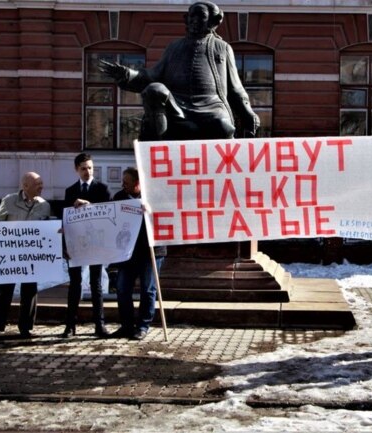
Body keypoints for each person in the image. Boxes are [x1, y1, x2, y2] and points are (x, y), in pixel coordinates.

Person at [99, 1, 259, 141]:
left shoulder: (222, 48)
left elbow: (235, 87)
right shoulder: (174, 47)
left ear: (211, 21)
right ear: (187, 19)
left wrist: (248, 112)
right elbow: (152, 75)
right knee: (155, 90)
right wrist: (128, 75)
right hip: (178, 106)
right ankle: (157, 149)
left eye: (200, 16)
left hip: (211, 107)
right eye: (192, 16)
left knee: (222, 125)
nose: (195, 21)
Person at [0, 172, 51, 343]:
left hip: (31, 255)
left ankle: (25, 328)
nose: (41, 187)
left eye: (42, 183)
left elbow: (47, 228)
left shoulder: (45, 205)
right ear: (25, 186)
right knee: (4, 290)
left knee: (30, 291)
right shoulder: (9, 200)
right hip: (10, 255)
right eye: (37, 184)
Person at [110, 167, 167, 340]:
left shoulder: (154, 196)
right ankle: (126, 325)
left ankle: (143, 326)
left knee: (148, 289)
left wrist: (150, 212)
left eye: (126, 183)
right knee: (122, 288)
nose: (123, 185)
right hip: (128, 252)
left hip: (151, 252)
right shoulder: (119, 197)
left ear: (138, 184)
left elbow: (165, 219)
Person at [61, 153, 111, 338]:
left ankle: (100, 325)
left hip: (96, 243)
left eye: (90, 167)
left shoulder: (102, 189)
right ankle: (70, 326)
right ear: (76, 169)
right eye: (83, 168)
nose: (87, 171)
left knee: (96, 283)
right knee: (75, 284)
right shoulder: (70, 191)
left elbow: (108, 216)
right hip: (76, 244)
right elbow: (64, 221)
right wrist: (64, 246)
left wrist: (88, 206)